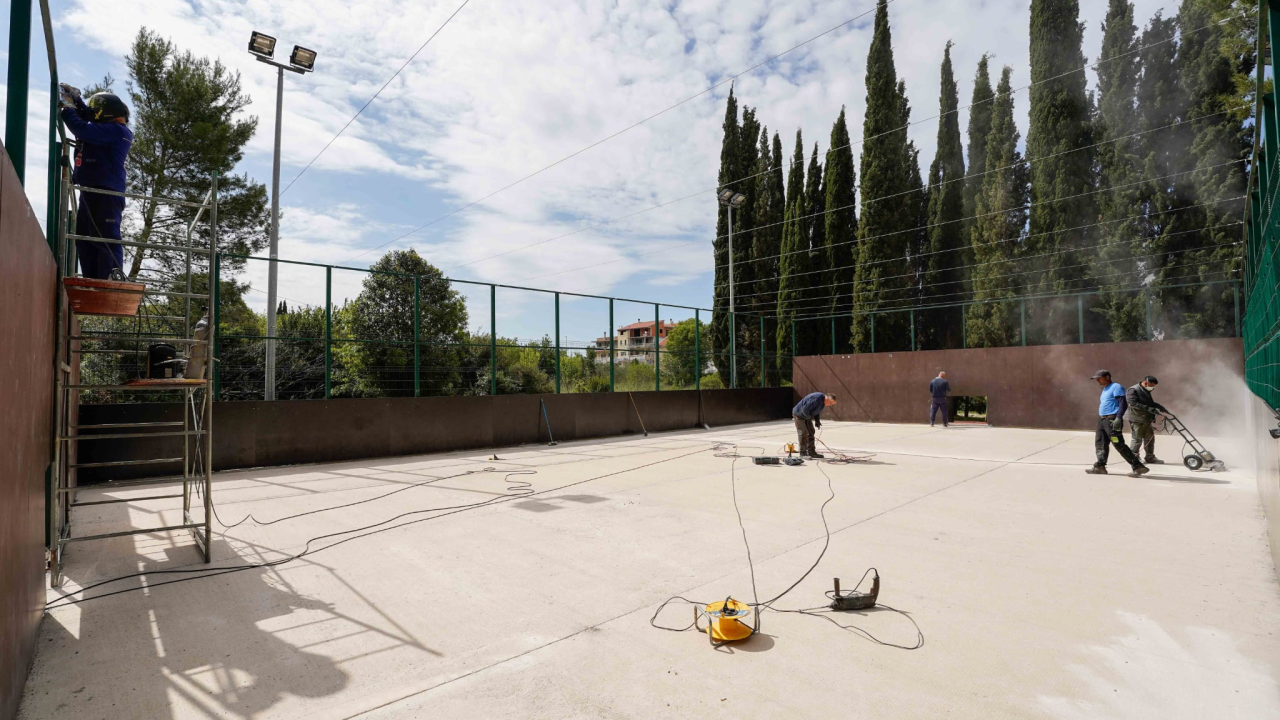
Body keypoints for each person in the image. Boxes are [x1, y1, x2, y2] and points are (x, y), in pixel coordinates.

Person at [58, 83, 133, 280]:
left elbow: (83, 128)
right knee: (84, 238)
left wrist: (67, 109)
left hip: (106, 192)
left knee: (106, 237)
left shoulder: (119, 131)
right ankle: (93, 280)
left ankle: (110, 277)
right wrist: (77, 101)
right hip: (92, 190)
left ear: (105, 113)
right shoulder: (107, 129)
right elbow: (88, 118)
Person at [1088, 370, 1148, 477]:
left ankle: (1138, 466)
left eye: (1099, 378)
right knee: (1100, 443)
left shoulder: (1116, 387)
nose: (1097, 380)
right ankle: (1100, 466)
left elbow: (1123, 403)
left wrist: (1118, 418)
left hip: (1112, 420)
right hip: (1102, 420)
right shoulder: (1105, 389)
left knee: (1118, 444)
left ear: (1107, 377)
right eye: (1096, 379)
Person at [1125, 375, 1167, 464]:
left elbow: (1149, 403)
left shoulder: (1145, 391)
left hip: (1147, 419)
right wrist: (1149, 408)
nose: (1152, 388)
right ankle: (1134, 457)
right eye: (1151, 385)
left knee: (1150, 439)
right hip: (1137, 418)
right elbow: (1132, 403)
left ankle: (1150, 457)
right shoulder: (1133, 389)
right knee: (1137, 439)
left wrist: (1159, 407)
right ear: (1146, 382)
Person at [793, 391, 836, 459]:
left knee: (811, 432)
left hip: (806, 415)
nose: (830, 405)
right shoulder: (816, 398)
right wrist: (808, 419)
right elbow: (804, 409)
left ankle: (811, 452)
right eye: (830, 403)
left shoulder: (823, 402)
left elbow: (816, 411)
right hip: (799, 414)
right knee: (803, 432)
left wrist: (817, 421)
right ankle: (803, 453)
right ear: (827, 399)